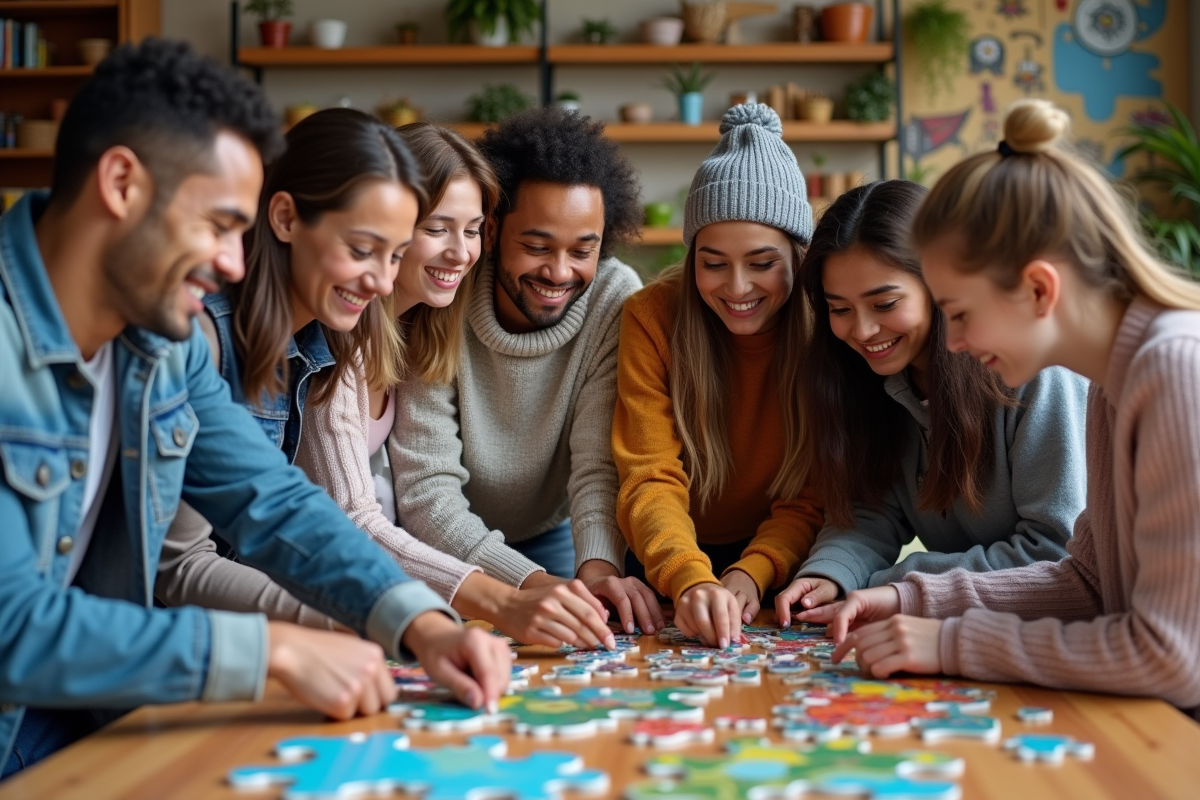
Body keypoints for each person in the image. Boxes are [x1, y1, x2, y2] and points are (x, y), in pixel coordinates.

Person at [0, 40, 510, 779]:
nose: (233, 265)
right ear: (121, 184)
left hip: (83, 728)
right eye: (215, 225)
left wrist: (417, 621)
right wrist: (276, 649)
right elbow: (13, 629)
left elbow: (271, 502)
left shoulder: (156, 344)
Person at [155, 118, 614, 650]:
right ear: (282, 219)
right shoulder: (224, 341)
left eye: (393, 254)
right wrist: (400, 619)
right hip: (195, 642)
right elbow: (195, 564)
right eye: (363, 248)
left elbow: (297, 522)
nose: (379, 281)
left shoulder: (383, 327)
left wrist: (408, 617)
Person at [809, 99, 1200, 717]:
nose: (954, 342)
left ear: (1040, 289)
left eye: (959, 314)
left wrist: (954, 642)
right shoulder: (1114, 382)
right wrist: (913, 602)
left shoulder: (1176, 369)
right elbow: (1088, 584)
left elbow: (1172, 657)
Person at [389, 107, 666, 635]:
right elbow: (427, 491)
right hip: (439, 542)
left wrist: (599, 571)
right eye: (537, 247)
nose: (559, 272)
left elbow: (597, 465)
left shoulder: (614, 296)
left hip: (551, 533)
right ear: (491, 231)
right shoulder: (445, 287)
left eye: (582, 250)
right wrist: (531, 584)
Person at [775, 180, 1088, 623]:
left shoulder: (1033, 372)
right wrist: (833, 573)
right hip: (966, 631)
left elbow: (1056, 555)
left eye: (884, 304)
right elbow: (870, 509)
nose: (862, 331)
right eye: (839, 309)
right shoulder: (866, 375)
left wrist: (899, 584)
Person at [614, 104, 825, 648]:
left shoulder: (828, 324)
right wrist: (688, 577)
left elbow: (813, 493)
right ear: (691, 258)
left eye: (761, 263)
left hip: (780, 563)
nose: (736, 287)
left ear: (798, 255)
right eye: (713, 263)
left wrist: (752, 570)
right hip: (663, 559)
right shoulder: (652, 316)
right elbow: (649, 473)